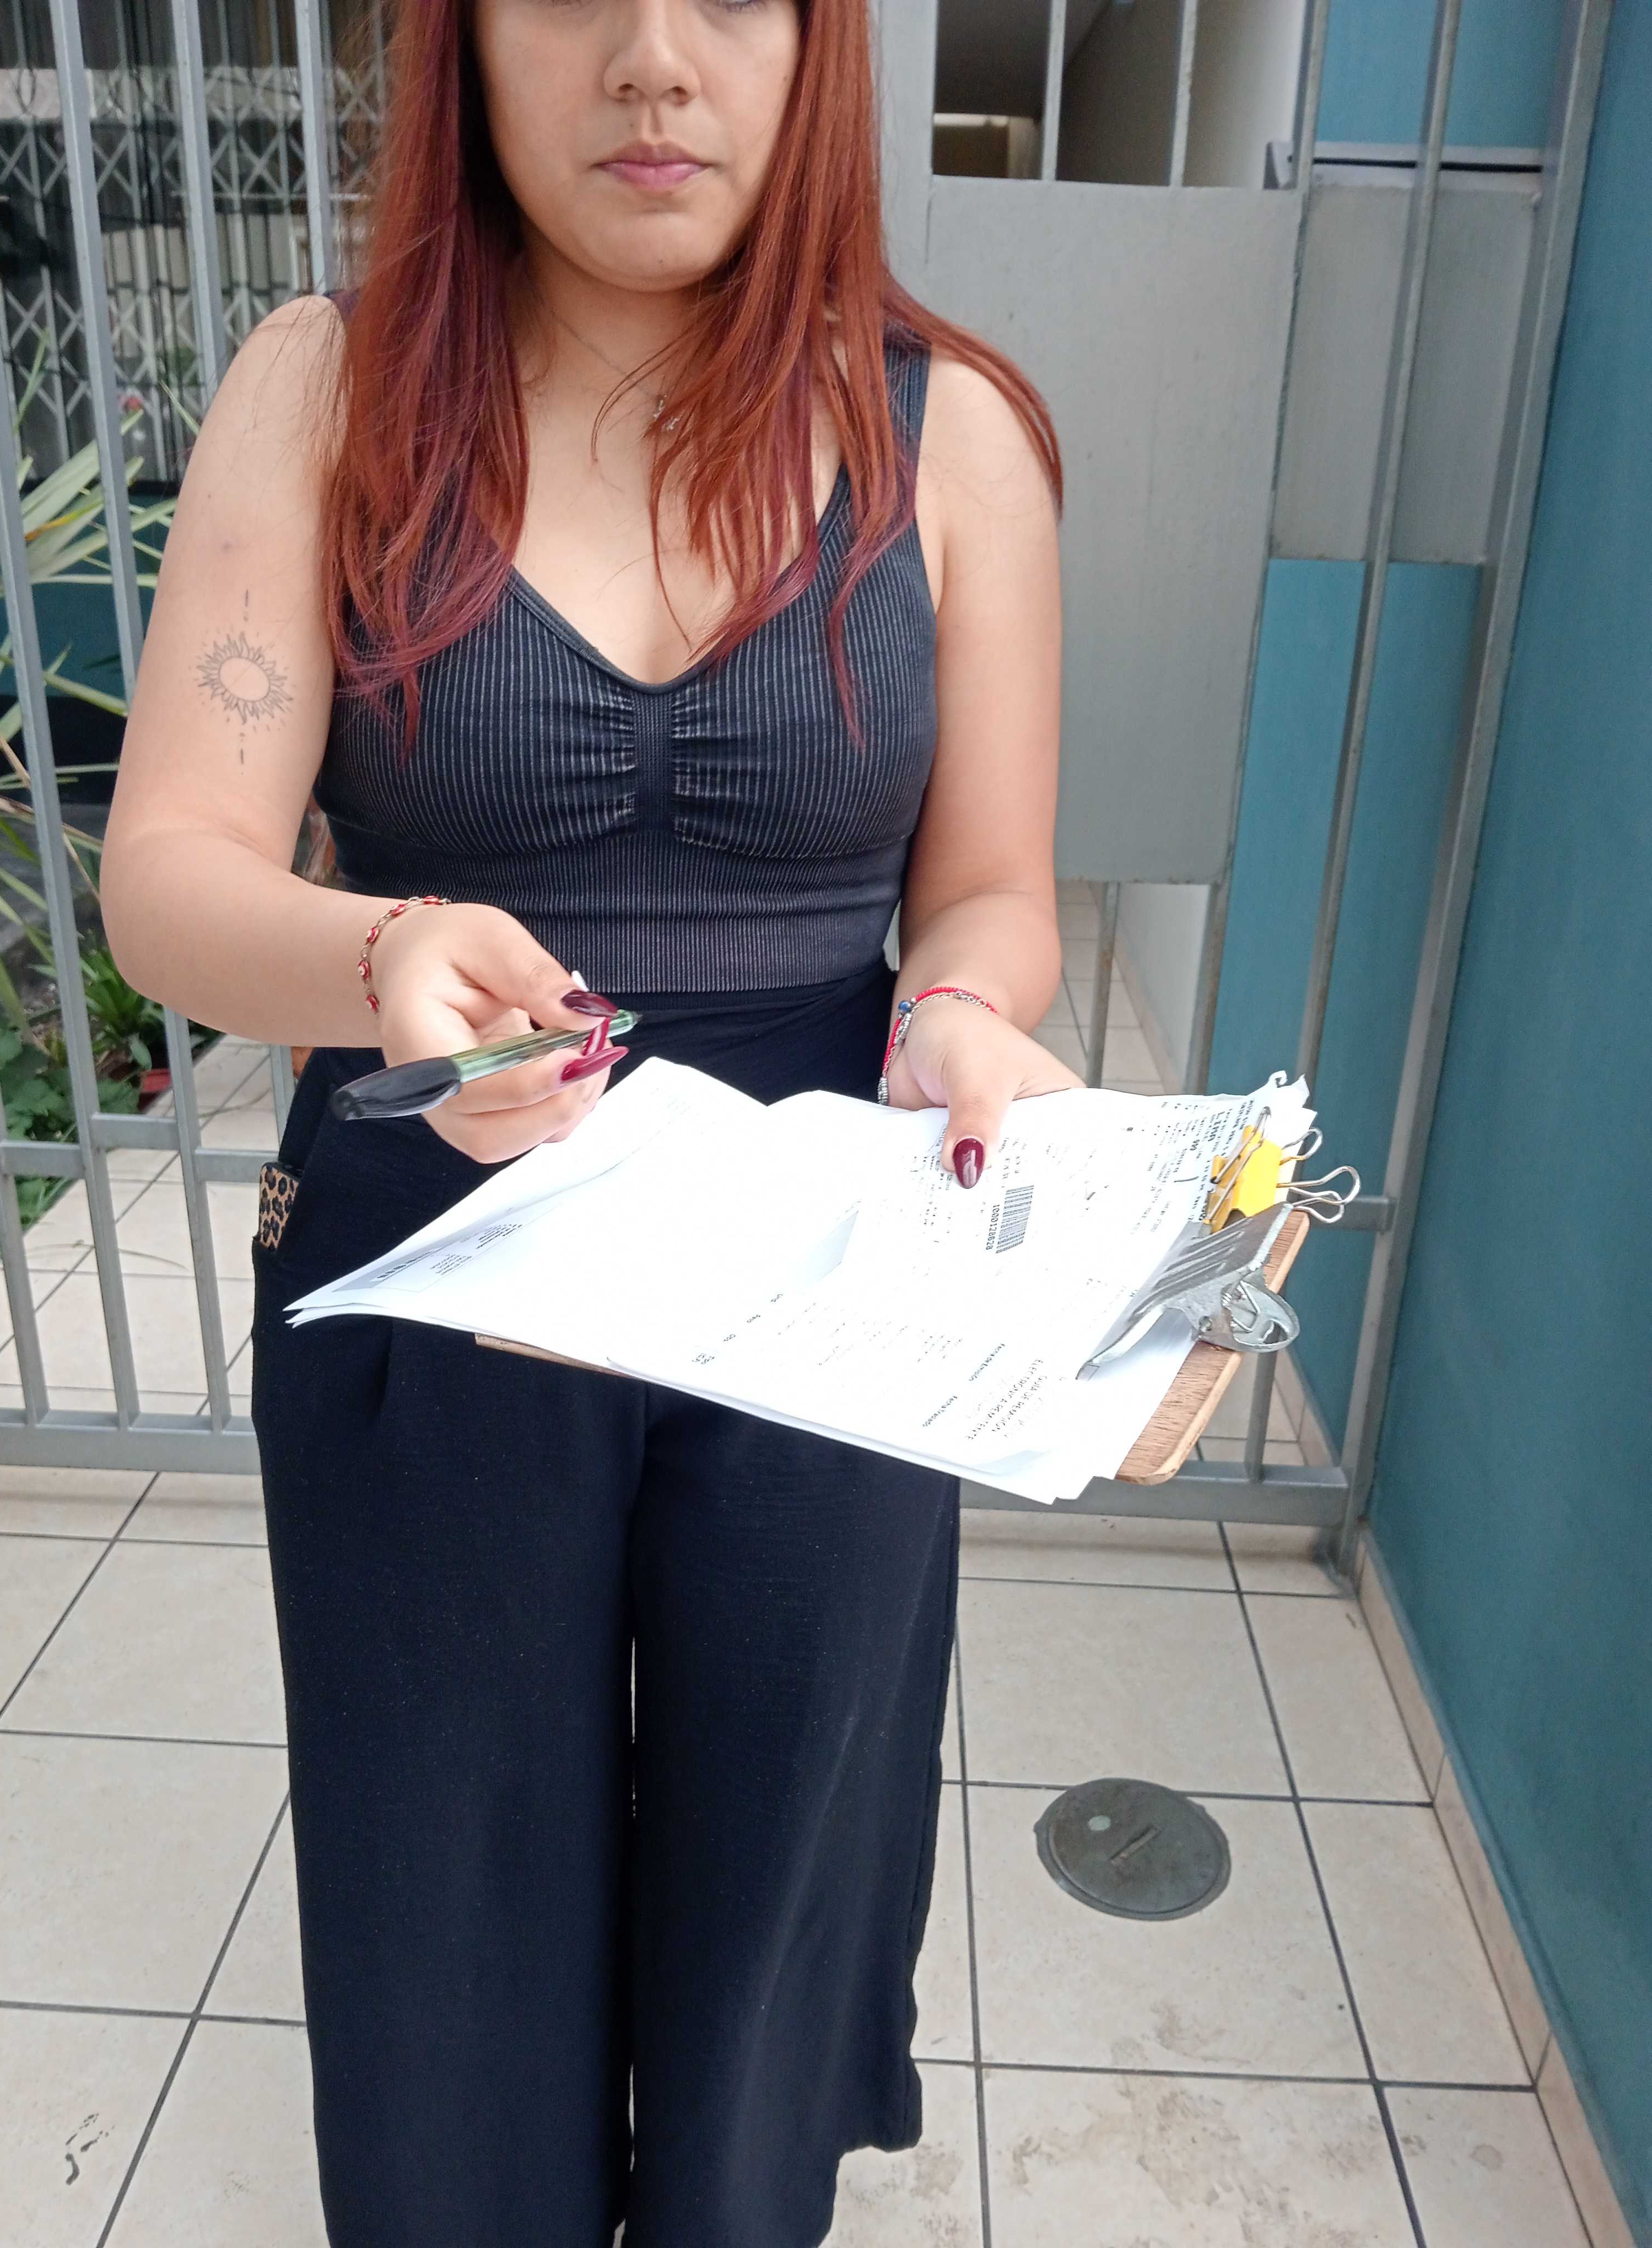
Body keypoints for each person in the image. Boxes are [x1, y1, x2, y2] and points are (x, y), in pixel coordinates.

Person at [101, 1, 1069, 2240]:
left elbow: (994, 884)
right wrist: (378, 952)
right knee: (446, 1878)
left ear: (820, 46)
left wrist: (960, 1012)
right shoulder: (327, 395)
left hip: (822, 1277)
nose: (651, 59)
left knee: (784, 1850)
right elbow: (169, 871)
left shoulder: (955, 435)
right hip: (439, 1243)